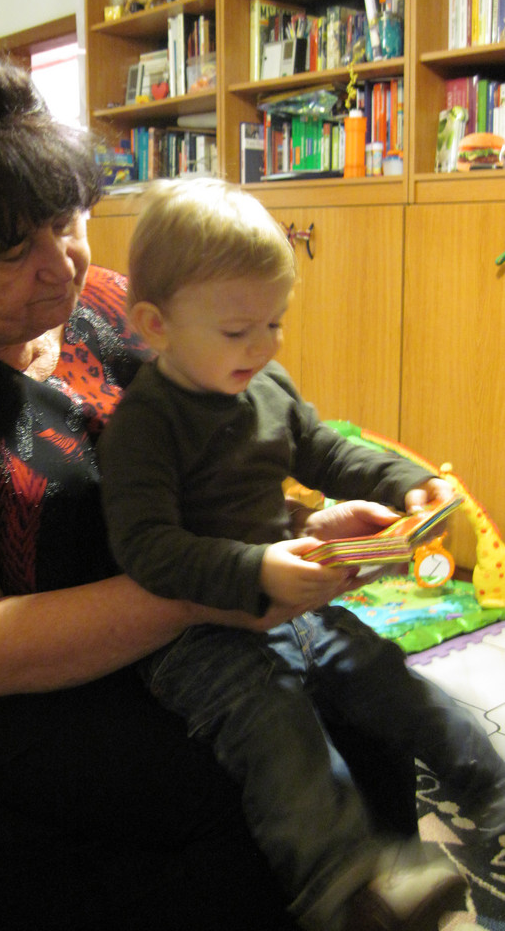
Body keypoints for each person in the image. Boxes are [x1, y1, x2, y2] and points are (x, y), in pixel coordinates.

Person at [0, 45, 419, 931]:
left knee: (373, 713)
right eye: (10, 251)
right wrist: (218, 587)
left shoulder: (113, 308)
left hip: (158, 612)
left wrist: (302, 527)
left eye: (66, 220)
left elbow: (206, 473)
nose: (61, 266)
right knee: (220, 783)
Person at [98, 177, 505, 931]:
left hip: (299, 604)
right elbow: (146, 549)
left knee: (392, 679)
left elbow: (324, 450)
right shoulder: (144, 426)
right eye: (237, 331)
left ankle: (492, 786)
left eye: (275, 323)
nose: (263, 347)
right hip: (201, 636)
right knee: (278, 734)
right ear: (156, 325)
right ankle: (347, 883)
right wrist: (257, 571)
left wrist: (407, 482)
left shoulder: (267, 382)